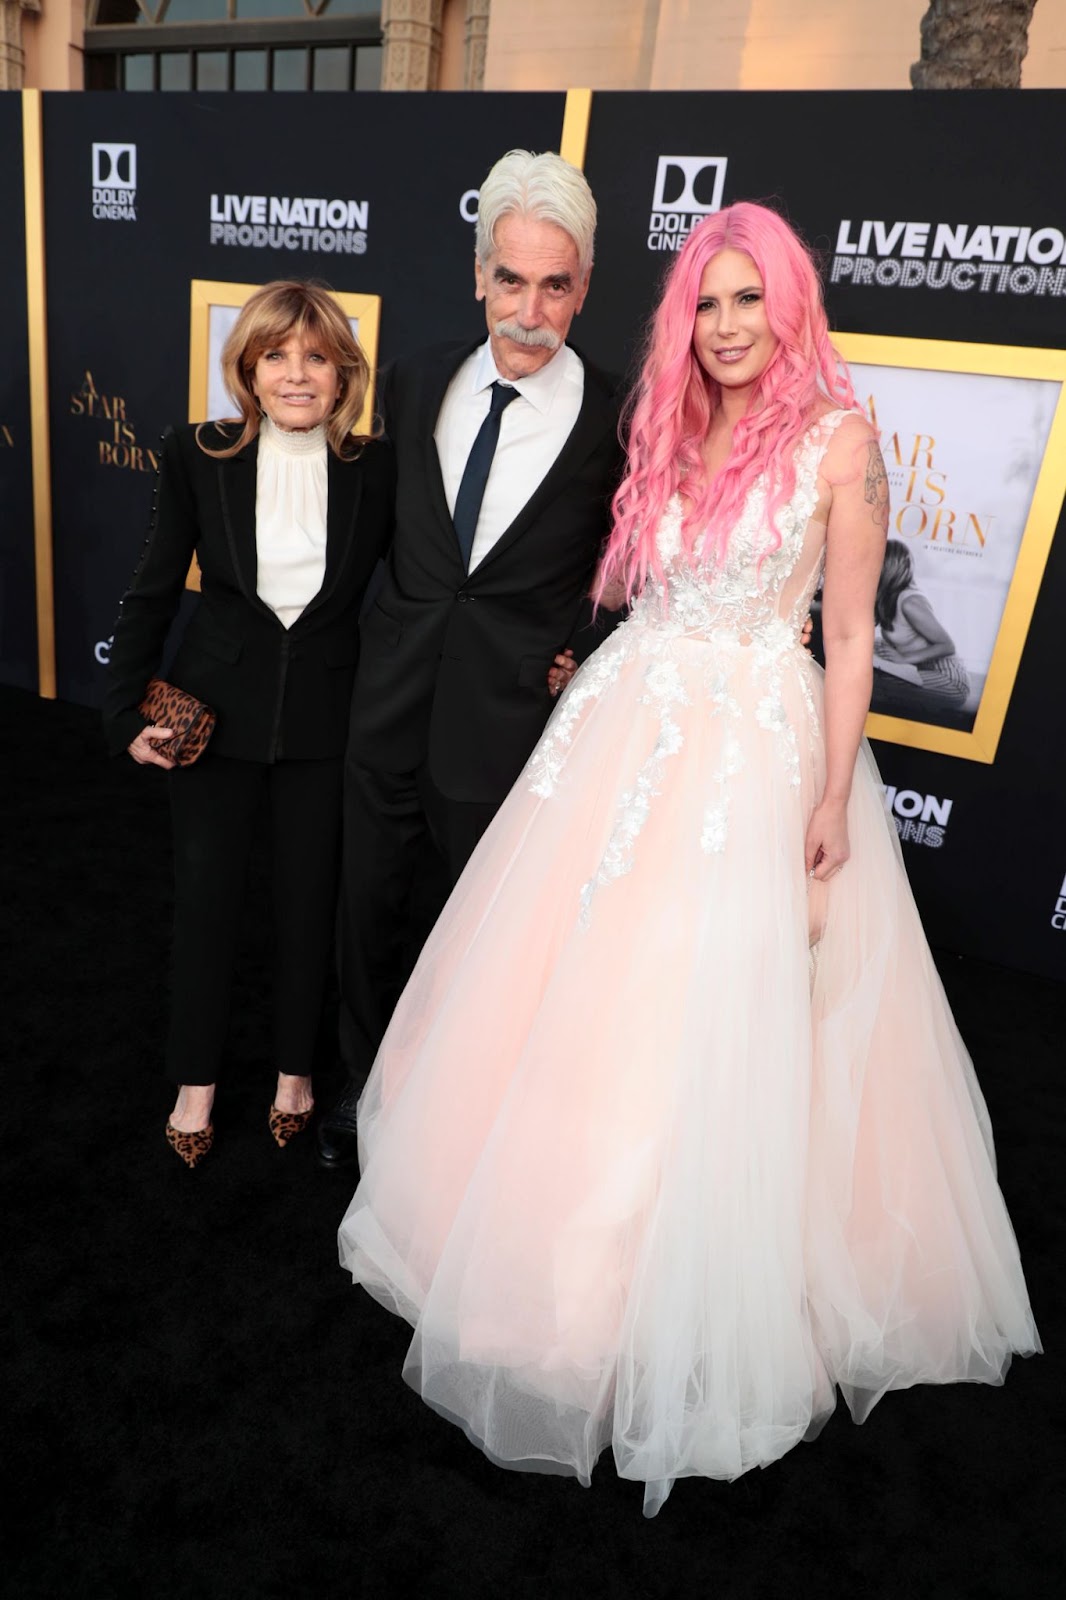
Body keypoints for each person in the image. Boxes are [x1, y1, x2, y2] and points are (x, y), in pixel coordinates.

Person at [336, 203, 1039, 1514]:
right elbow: (625, 588)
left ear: (787, 305)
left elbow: (843, 639)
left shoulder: (842, 442)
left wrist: (831, 795)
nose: (723, 329)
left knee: (698, 1005)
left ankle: (675, 1292)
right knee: (574, 991)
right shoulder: (662, 424)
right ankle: (532, 1252)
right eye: (703, 305)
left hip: (752, 749)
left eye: (745, 301)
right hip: (622, 722)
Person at [317, 150, 627, 1170]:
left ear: (582, 289)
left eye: (553, 284)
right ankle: (356, 1084)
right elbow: (365, 539)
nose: (528, 310)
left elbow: (634, 566)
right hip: (388, 695)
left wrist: (575, 651)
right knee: (362, 904)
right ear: (478, 273)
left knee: (479, 932)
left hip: (507, 725)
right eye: (510, 278)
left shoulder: (620, 420)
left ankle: (446, 1104)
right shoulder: (412, 381)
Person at [103, 281, 395, 1168]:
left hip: (326, 720)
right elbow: (155, 585)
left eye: (316, 357)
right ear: (247, 368)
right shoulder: (196, 455)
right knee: (206, 902)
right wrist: (122, 708)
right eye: (276, 356)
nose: (296, 375)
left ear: (344, 374)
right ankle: (195, 1081)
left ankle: (296, 1078)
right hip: (214, 716)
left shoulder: (377, 468)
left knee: (310, 906)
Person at [872, 538, 971, 717]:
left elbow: (947, 646)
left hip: (948, 679)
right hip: (917, 669)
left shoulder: (910, 602)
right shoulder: (888, 598)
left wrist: (903, 658)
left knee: (872, 684)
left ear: (887, 566)